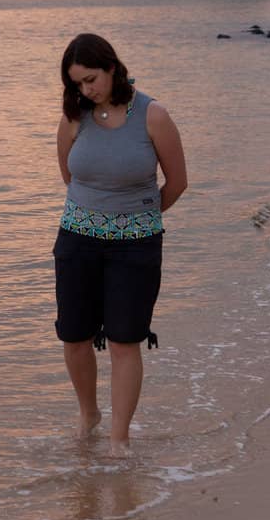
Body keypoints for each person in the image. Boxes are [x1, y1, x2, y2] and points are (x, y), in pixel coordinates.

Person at [54, 33, 188, 458]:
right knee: (74, 336)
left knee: (125, 341)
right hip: (77, 240)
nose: (86, 90)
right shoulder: (75, 116)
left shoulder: (153, 116)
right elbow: (70, 178)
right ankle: (88, 414)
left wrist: (138, 220)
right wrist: (97, 217)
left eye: (91, 79)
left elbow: (178, 182)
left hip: (136, 248)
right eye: (77, 83)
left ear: (112, 68)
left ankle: (119, 438)